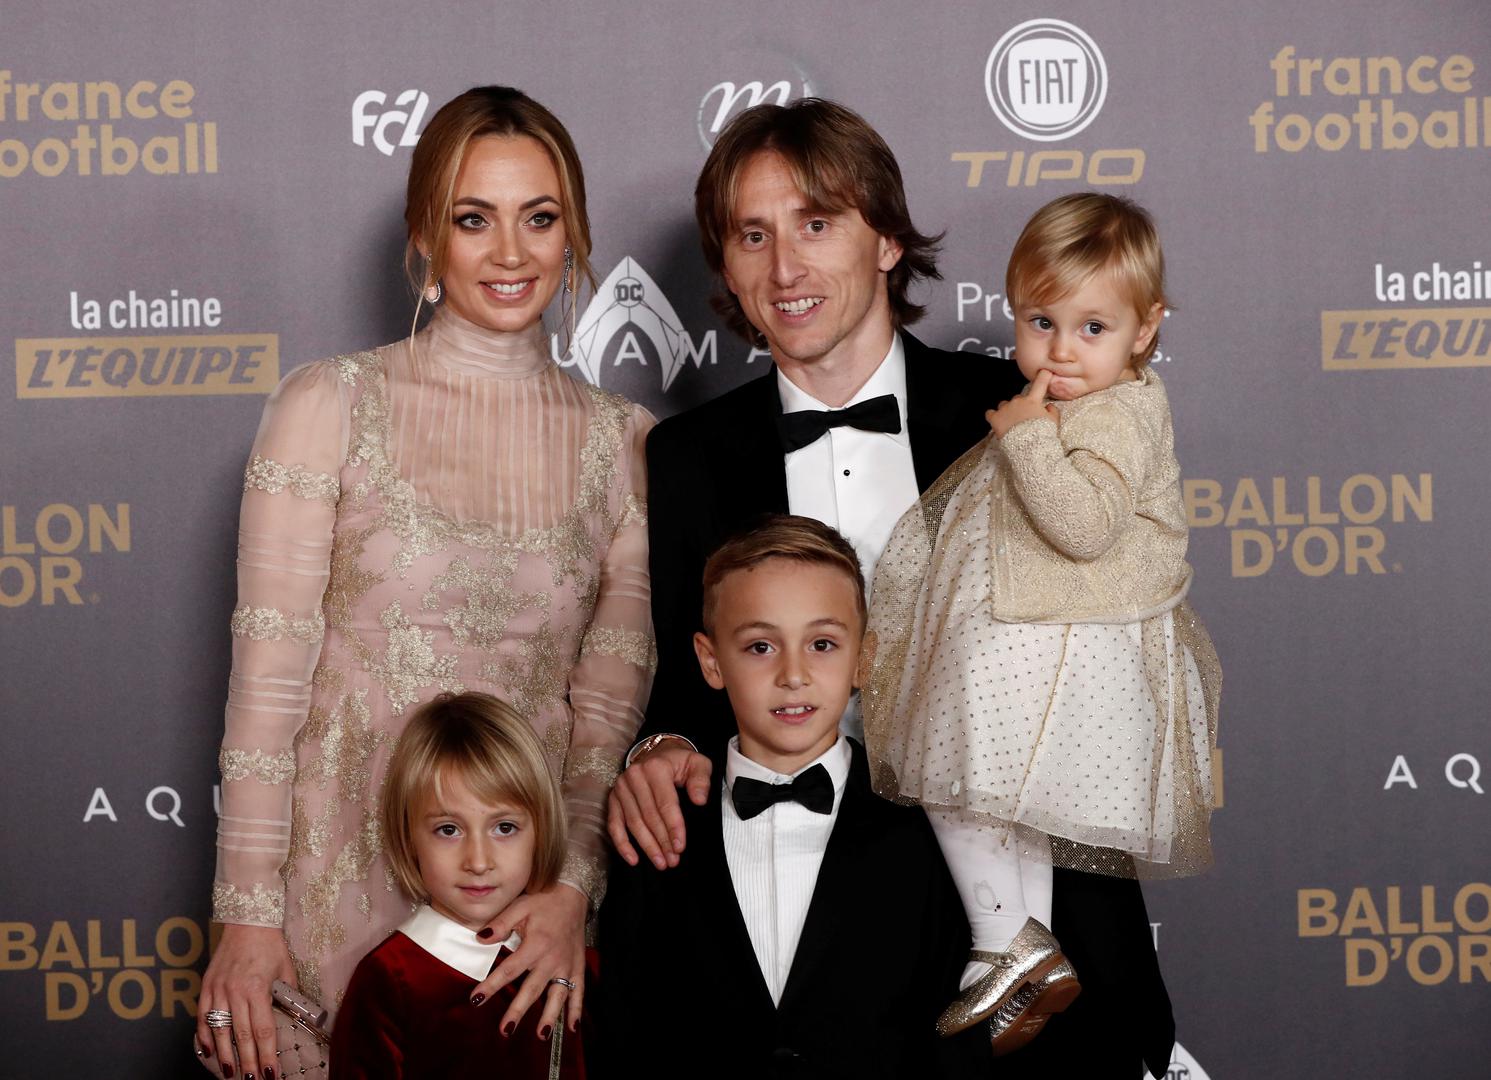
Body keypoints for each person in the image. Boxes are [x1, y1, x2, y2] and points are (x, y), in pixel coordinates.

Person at [608, 99, 1175, 1077]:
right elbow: (685, 677)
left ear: (885, 240)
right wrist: (661, 746)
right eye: (753, 235)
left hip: (1039, 914)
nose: (784, 268)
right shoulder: (690, 456)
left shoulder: (1020, 414)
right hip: (825, 946)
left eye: (816, 223)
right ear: (728, 268)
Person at [197, 86, 655, 1079]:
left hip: (519, 928)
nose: (511, 253)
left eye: (539, 218)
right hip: (329, 901)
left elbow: (602, 726)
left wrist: (572, 890)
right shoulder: (327, 404)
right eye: (472, 219)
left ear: (574, 232)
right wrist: (245, 919)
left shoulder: (626, 445)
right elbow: (267, 696)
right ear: (424, 235)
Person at [864, 192, 1221, 1061]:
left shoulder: (1118, 413)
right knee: (999, 801)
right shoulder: (1073, 400)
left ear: (1145, 328)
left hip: (1053, 647)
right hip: (1031, 634)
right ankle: (1021, 947)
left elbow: (1084, 525)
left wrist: (1026, 438)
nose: (1060, 349)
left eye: (1092, 328)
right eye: (1040, 322)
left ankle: (1005, 939)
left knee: (956, 775)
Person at [598, 516, 992, 1078]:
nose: (793, 674)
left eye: (822, 644)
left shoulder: (922, 827)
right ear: (711, 661)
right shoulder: (660, 824)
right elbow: (625, 1026)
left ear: (863, 658)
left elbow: (952, 1036)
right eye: (760, 646)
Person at [330, 692, 581, 1078]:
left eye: (504, 828)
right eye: (448, 830)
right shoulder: (389, 980)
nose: (478, 862)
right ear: (409, 837)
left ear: (542, 831)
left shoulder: (576, 962)